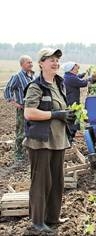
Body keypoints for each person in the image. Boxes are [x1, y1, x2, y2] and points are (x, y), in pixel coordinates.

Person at [23, 48, 74, 233]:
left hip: (58, 140)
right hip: (41, 141)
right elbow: (29, 113)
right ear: (41, 63)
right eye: (50, 59)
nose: (55, 63)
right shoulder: (36, 86)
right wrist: (55, 114)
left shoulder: (60, 84)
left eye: (57, 60)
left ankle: (52, 217)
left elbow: (61, 110)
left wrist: (68, 116)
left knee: (57, 181)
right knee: (41, 182)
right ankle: (37, 222)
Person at [4, 55, 35, 161]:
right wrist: (14, 102)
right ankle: (18, 155)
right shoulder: (17, 76)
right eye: (28, 62)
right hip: (22, 109)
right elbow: (8, 90)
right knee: (21, 132)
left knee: (30, 131)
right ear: (22, 64)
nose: (31, 64)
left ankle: (26, 152)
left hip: (32, 109)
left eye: (31, 62)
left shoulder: (32, 76)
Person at [62, 61, 89, 140]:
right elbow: (83, 83)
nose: (77, 71)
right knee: (72, 122)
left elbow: (77, 77)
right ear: (71, 70)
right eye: (76, 69)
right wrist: (91, 78)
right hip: (71, 103)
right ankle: (69, 138)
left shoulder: (68, 76)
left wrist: (83, 74)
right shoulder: (71, 78)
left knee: (73, 121)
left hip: (71, 102)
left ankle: (70, 138)